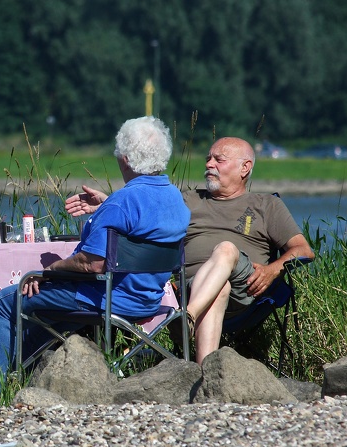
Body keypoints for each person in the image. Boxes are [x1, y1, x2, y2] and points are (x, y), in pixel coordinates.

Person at [0, 116, 190, 394]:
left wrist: (49, 271)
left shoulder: (123, 202)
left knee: (5, 302)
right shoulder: (175, 199)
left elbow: (92, 263)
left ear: (124, 159)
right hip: (148, 301)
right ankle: (24, 378)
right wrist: (107, 204)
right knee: (44, 313)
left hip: (108, 299)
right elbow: (140, 223)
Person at [65, 137, 315, 365]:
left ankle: (187, 318)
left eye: (219, 159)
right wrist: (109, 204)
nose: (209, 164)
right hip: (187, 289)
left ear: (245, 168)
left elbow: (303, 250)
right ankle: (203, 374)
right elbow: (143, 226)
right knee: (220, 288)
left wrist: (274, 269)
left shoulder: (266, 205)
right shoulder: (187, 200)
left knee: (227, 249)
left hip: (245, 289)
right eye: (208, 158)